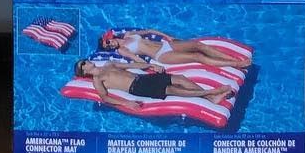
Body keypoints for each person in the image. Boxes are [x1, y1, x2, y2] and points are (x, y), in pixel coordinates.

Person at [74, 56, 234, 116]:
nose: (87, 61)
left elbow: (131, 65)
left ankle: (211, 97)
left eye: (85, 60)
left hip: (143, 78)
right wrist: (126, 103)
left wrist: (150, 66)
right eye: (84, 63)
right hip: (136, 88)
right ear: (84, 71)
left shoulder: (109, 64)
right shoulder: (97, 80)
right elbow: (104, 97)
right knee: (172, 90)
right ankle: (213, 92)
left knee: (181, 78)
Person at [97, 29, 251, 70]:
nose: (110, 45)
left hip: (166, 44)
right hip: (161, 55)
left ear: (110, 37)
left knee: (198, 45)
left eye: (108, 42)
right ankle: (235, 65)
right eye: (108, 47)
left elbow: (150, 31)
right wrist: (151, 66)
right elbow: (137, 59)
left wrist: (167, 37)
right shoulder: (122, 51)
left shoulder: (129, 34)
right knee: (196, 56)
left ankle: (233, 59)